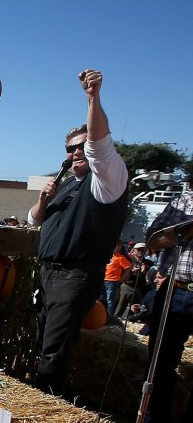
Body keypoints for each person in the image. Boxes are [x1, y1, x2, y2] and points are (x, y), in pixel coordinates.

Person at [28, 70, 128, 398]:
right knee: (42, 339)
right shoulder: (65, 182)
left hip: (75, 273)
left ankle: (47, 402)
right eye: (70, 149)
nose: (74, 154)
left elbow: (100, 148)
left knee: (55, 346)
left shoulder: (106, 180)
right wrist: (43, 199)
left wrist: (93, 99)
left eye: (80, 147)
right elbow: (33, 221)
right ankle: (44, 394)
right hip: (48, 271)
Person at [140, 189, 193, 423]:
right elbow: (153, 241)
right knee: (160, 362)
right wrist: (183, 228)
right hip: (175, 289)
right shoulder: (183, 200)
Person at [103, 240, 131, 317]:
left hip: (112, 281)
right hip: (104, 279)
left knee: (110, 300)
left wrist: (123, 277)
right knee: (102, 298)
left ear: (119, 247)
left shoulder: (120, 258)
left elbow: (128, 267)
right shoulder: (110, 256)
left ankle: (108, 316)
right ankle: (103, 313)